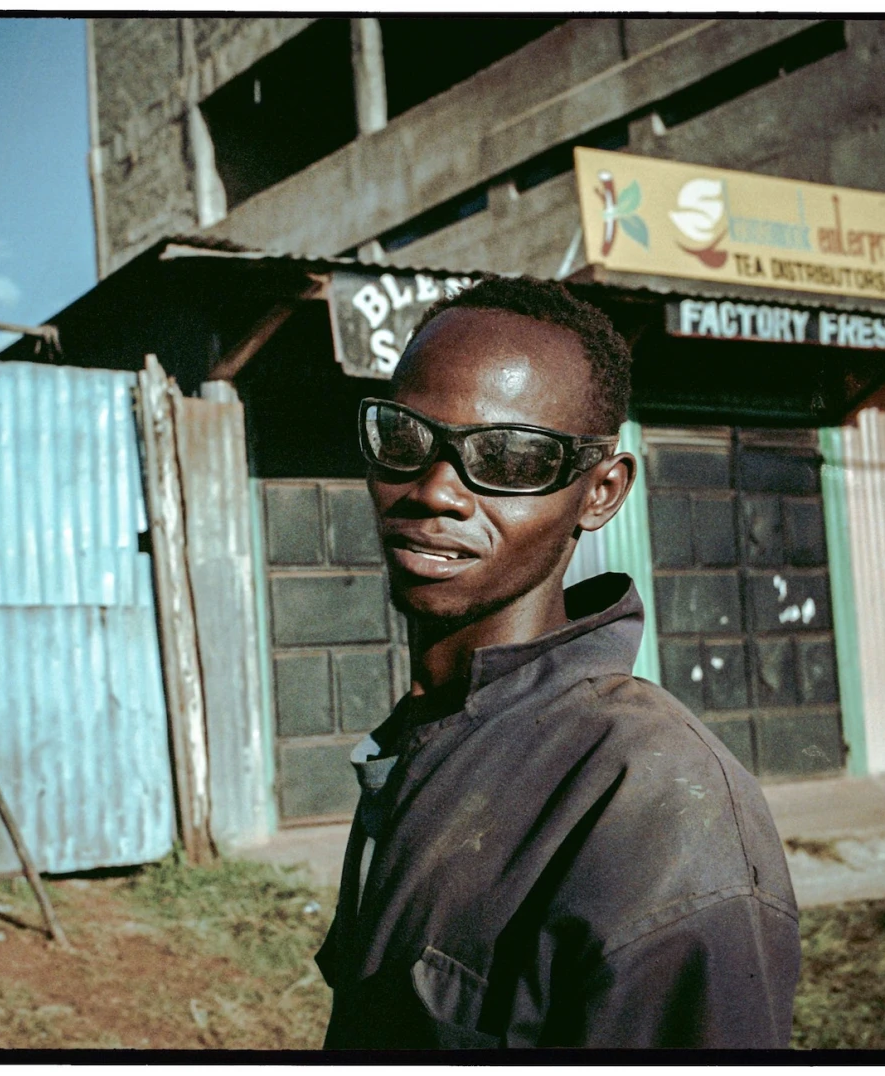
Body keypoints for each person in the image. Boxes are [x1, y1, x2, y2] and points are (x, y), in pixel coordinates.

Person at [315, 275, 800, 1049]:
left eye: (508, 458)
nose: (436, 490)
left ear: (601, 492)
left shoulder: (653, 805)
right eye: (405, 440)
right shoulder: (429, 739)